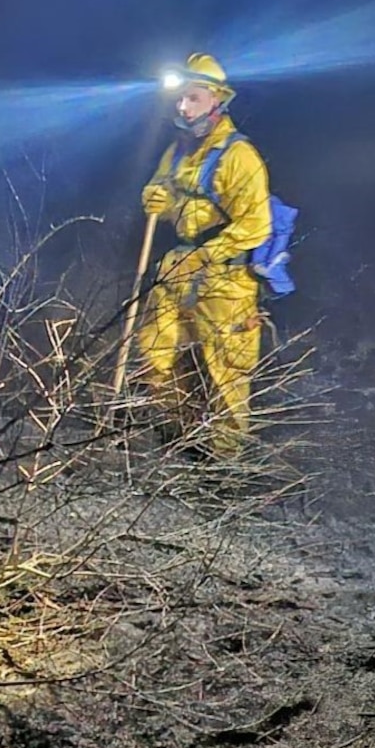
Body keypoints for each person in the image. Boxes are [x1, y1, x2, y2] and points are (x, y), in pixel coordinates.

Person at [136, 53, 273, 456]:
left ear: (217, 100)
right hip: (177, 269)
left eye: (192, 98)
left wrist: (210, 254)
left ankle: (224, 468)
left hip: (226, 282)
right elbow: (160, 190)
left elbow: (256, 224)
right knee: (154, 355)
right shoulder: (177, 151)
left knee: (226, 374)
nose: (182, 107)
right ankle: (178, 442)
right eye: (179, 99)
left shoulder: (238, 156)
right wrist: (155, 199)